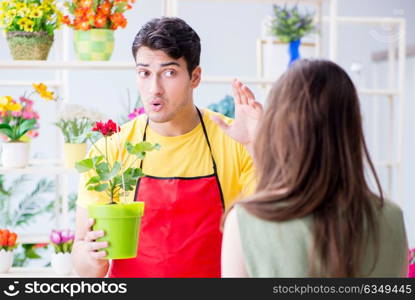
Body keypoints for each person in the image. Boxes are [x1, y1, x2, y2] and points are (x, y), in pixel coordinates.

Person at [72, 17, 262, 278]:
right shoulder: (111, 150)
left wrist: (258, 145)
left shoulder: (235, 140)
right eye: (144, 73)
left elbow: (267, 237)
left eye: (169, 73)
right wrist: (90, 257)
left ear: (195, 77)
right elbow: (82, 264)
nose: (154, 89)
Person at [221, 59, 409, 277]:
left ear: (279, 129)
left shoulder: (244, 223)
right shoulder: (391, 219)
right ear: (352, 127)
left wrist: (258, 146)